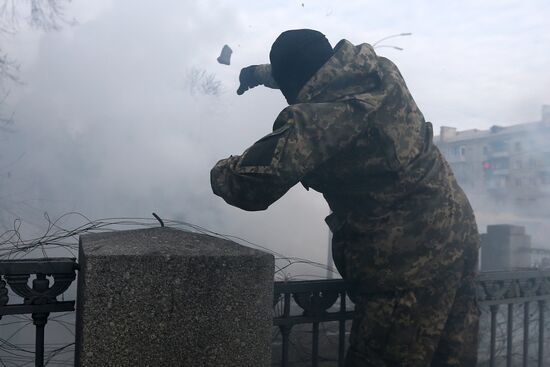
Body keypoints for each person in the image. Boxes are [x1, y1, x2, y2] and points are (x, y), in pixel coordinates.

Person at [210, 29, 480, 366]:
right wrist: (256, 74)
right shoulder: (378, 72)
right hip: (459, 235)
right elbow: (310, 71)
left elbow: (246, 186)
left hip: (407, 263)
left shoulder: (319, 120)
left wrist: (216, 167)